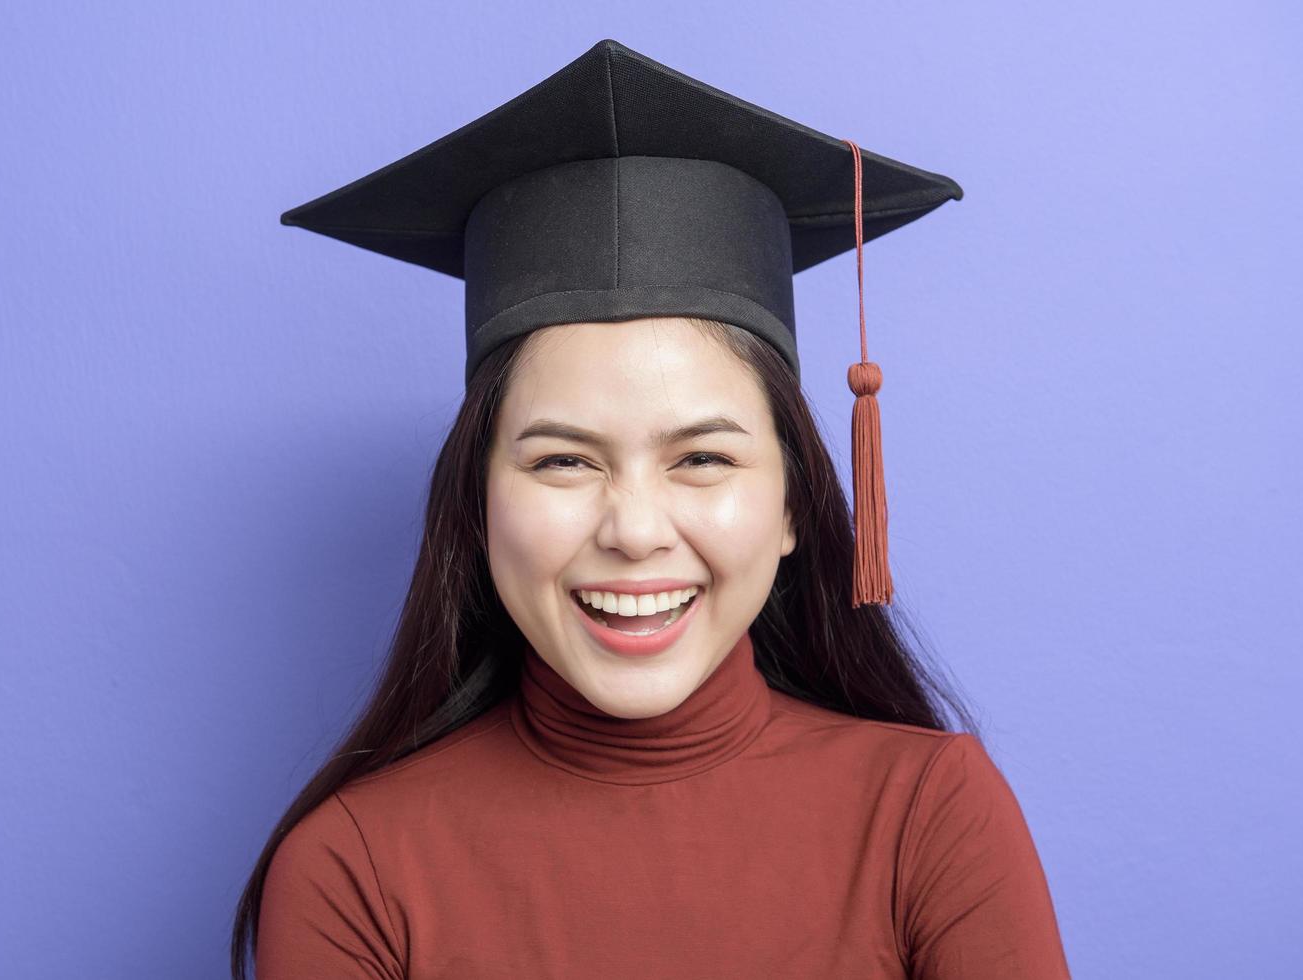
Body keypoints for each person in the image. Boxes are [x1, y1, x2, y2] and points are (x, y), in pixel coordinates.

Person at [233, 37, 1071, 979]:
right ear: (476, 501)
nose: (634, 531)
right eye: (562, 461)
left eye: (703, 458)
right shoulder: (354, 872)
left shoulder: (929, 815)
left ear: (795, 502)